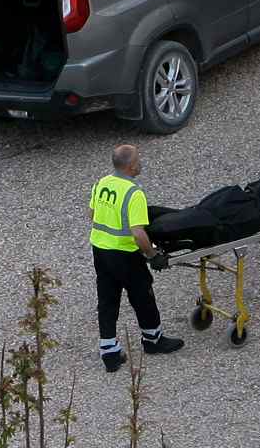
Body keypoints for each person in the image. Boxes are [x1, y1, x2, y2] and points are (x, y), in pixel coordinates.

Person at [89, 144, 183, 372]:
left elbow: (91, 214)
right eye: (138, 160)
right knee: (142, 294)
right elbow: (138, 232)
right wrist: (152, 255)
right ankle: (153, 340)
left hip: (100, 250)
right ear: (131, 167)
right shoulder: (134, 193)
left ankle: (109, 352)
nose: (141, 163)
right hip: (125, 254)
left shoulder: (101, 183)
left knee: (107, 300)